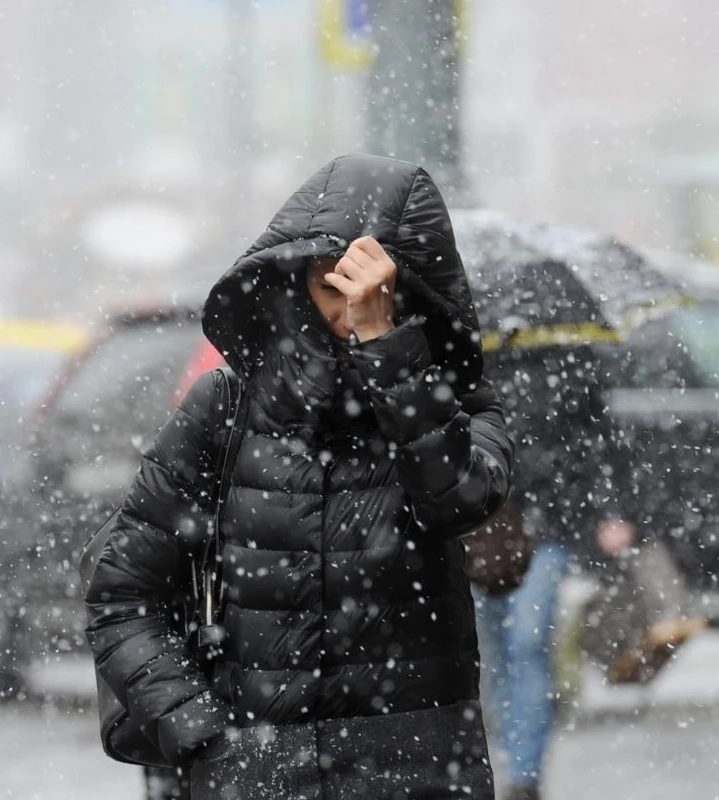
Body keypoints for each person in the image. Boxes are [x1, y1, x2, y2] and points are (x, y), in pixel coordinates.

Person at [85, 154, 513, 799]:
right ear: (293, 286)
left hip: (417, 771)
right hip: (255, 769)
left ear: (411, 292)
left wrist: (387, 350)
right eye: (331, 287)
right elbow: (122, 592)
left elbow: (457, 502)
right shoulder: (224, 408)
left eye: (370, 291)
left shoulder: (457, 407)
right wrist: (200, 732)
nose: (348, 310)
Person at [473, 343, 637, 800]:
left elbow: (604, 437)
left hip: (546, 525)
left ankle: (523, 775)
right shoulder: (464, 353)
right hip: (481, 529)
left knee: (526, 642)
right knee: (495, 650)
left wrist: (612, 508)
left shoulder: (572, 359)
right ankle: (508, 758)